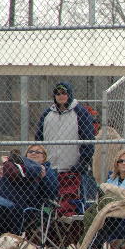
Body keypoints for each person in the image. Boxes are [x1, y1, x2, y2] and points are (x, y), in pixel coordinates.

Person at [35, 81, 95, 215]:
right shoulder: (47, 114)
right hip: (50, 171)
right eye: (57, 93)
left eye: (64, 93)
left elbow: (88, 141)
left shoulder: (80, 113)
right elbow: (38, 140)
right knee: (50, 206)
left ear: (69, 94)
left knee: (73, 208)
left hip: (72, 172)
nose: (61, 96)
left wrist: (80, 165)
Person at [85, 150, 125, 249]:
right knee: (92, 214)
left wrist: (118, 196)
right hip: (110, 210)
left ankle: (92, 247)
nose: (123, 163)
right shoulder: (111, 180)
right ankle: (87, 246)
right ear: (116, 164)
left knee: (111, 217)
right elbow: (105, 195)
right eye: (120, 161)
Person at [0, 145, 58, 236]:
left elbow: (52, 193)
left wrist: (44, 178)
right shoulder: (18, 169)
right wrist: (0, 177)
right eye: (31, 151)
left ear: (44, 157)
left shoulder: (48, 170)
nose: (33, 153)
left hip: (34, 206)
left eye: (38, 152)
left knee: (2, 206)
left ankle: (12, 236)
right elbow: (2, 189)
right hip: (9, 201)